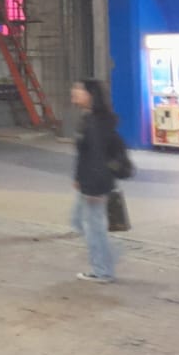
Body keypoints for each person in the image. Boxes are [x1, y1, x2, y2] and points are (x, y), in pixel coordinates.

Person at [72, 79, 127, 284]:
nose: (74, 92)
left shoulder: (95, 122)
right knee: (78, 221)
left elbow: (96, 156)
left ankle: (102, 270)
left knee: (93, 226)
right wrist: (78, 179)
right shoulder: (90, 118)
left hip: (94, 183)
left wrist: (92, 187)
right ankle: (108, 257)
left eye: (79, 89)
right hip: (88, 180)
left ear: (90, 95)